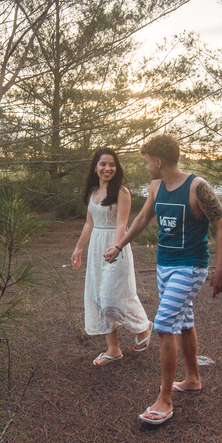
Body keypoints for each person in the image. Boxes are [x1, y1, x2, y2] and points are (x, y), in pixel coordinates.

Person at [104, 134, 222, 425]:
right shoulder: (156, 187)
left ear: (158, 161)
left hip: (191, 266)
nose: (146, 165)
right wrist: (119, 245)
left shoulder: (197, 187)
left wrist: (220, 269)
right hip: (165, 266)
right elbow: (143, 218)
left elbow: (221, 228)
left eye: (147, 160)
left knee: (162, 326)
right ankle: (193, 379)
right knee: (183, 322)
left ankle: (165, 400)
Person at [71, 148, 152, 366]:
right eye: (103, 164)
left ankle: (142, 325)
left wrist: (116, 247)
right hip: (97, 248)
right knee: (98, 296)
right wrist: (79, 247)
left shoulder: (122, 192)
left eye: (112, 165)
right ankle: (113, 349)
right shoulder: (92, 192)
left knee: (112, 296)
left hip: (116, 246)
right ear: (95, 167)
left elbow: (121, 224)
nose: (108, 169)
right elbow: (89, 223)